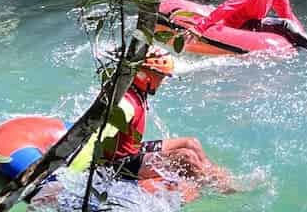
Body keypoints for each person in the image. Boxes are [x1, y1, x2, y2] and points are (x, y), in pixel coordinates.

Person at [70, 50, 238, 191]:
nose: (162, 82)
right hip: (118, 163)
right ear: (144, 76)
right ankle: (218, 189)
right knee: (186, 157)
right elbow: (96, 136)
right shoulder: (126, 103)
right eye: (160, 77)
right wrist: (76, 172)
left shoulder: (137, 91)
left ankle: (218, 178)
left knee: (190, 143)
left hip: (132, 151)